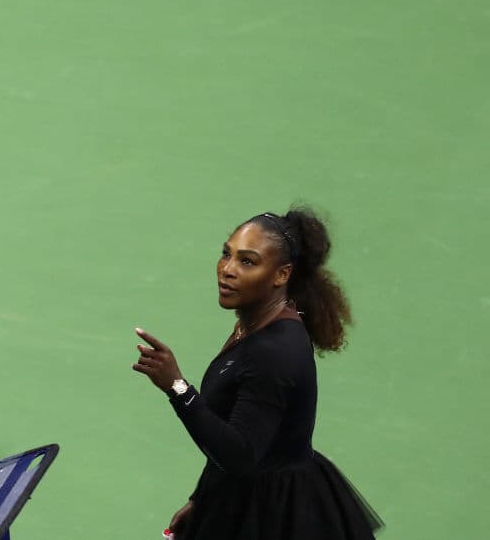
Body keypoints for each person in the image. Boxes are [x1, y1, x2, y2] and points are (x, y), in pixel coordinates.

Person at [132, 208, 383, 539]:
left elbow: (240, 454)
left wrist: (177, 387)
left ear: (282, 275)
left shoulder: (275, 352)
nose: (227, 270)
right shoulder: (251, 327)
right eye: (226, 254)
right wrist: (202, 498)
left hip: (276, 518)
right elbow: (235, 424)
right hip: (243, 497)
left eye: (247, 261)